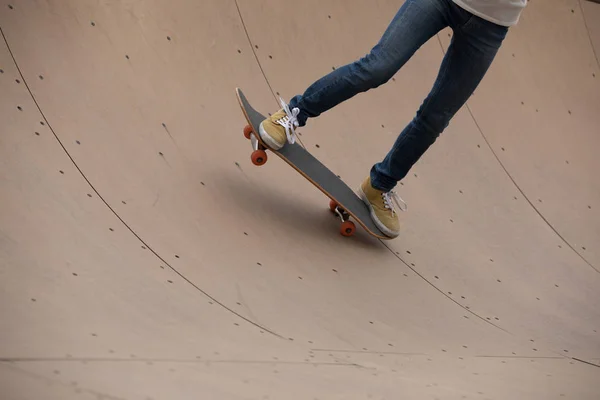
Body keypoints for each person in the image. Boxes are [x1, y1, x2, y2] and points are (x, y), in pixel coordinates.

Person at [259, 0, 527, 238]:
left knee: (436, 116)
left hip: (492, 25)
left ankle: (379, 186)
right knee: (377, 67)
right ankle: (294, 114)